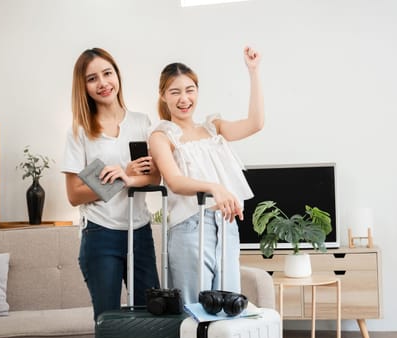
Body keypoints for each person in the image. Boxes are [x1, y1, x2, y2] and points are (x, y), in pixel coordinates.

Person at [149, 46, 264, 304]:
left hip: (226, 225)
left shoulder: (213, 128)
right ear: (163, 95)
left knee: (228, 309)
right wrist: (215, 188)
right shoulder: (161, 136)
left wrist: (253, 72)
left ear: (197, 91)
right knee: (195, 312)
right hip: (190, 227)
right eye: (175, 92)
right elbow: (175, 181)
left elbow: (255, 123)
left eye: (190, 90)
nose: (184, 99)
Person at [62, 48, 161, 321]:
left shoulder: (142, 123)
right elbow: (74, 194)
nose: (103, 83)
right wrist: (122, 178)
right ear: (83, 86)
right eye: (92, 78)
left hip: (139, 232)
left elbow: (154, 177)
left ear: (117, 75)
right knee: (108, 322)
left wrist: (128, 177)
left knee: (151, 318)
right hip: (100, 235)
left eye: (107, 73)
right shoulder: (80, 130)